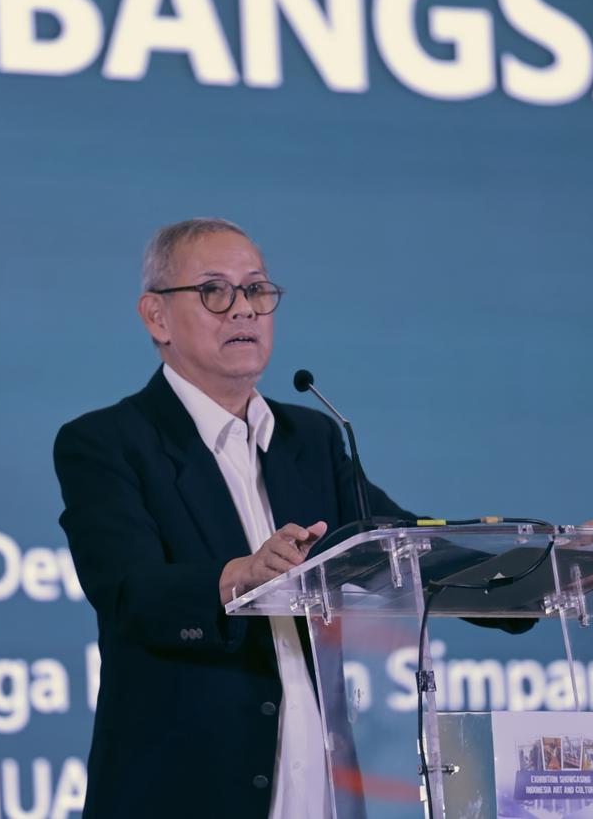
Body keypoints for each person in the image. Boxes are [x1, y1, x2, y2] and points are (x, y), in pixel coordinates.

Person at [53, 217, 409, 818]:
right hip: (184, 795)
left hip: (319, 795)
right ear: (156, 317)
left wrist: (531, 561)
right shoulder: (108, 442)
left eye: (257, 290)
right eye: (214, 290)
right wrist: (241, 575)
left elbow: (396, 540)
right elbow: (131, 594)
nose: (243, 309)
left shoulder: (311, 438)